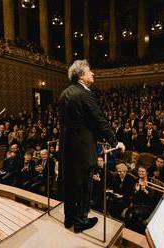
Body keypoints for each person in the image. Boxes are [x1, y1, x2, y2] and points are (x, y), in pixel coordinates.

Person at [59, 60, 125, 233]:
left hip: (67, 147)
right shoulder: (85, 94)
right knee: (83, 185)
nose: (93, 74)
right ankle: (80, 221)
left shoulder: (64, 93)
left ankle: (68, 218)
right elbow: (99, 120)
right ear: (81, 75)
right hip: (83, 148)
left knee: (70, 183)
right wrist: (115, 142)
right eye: (90, 71)